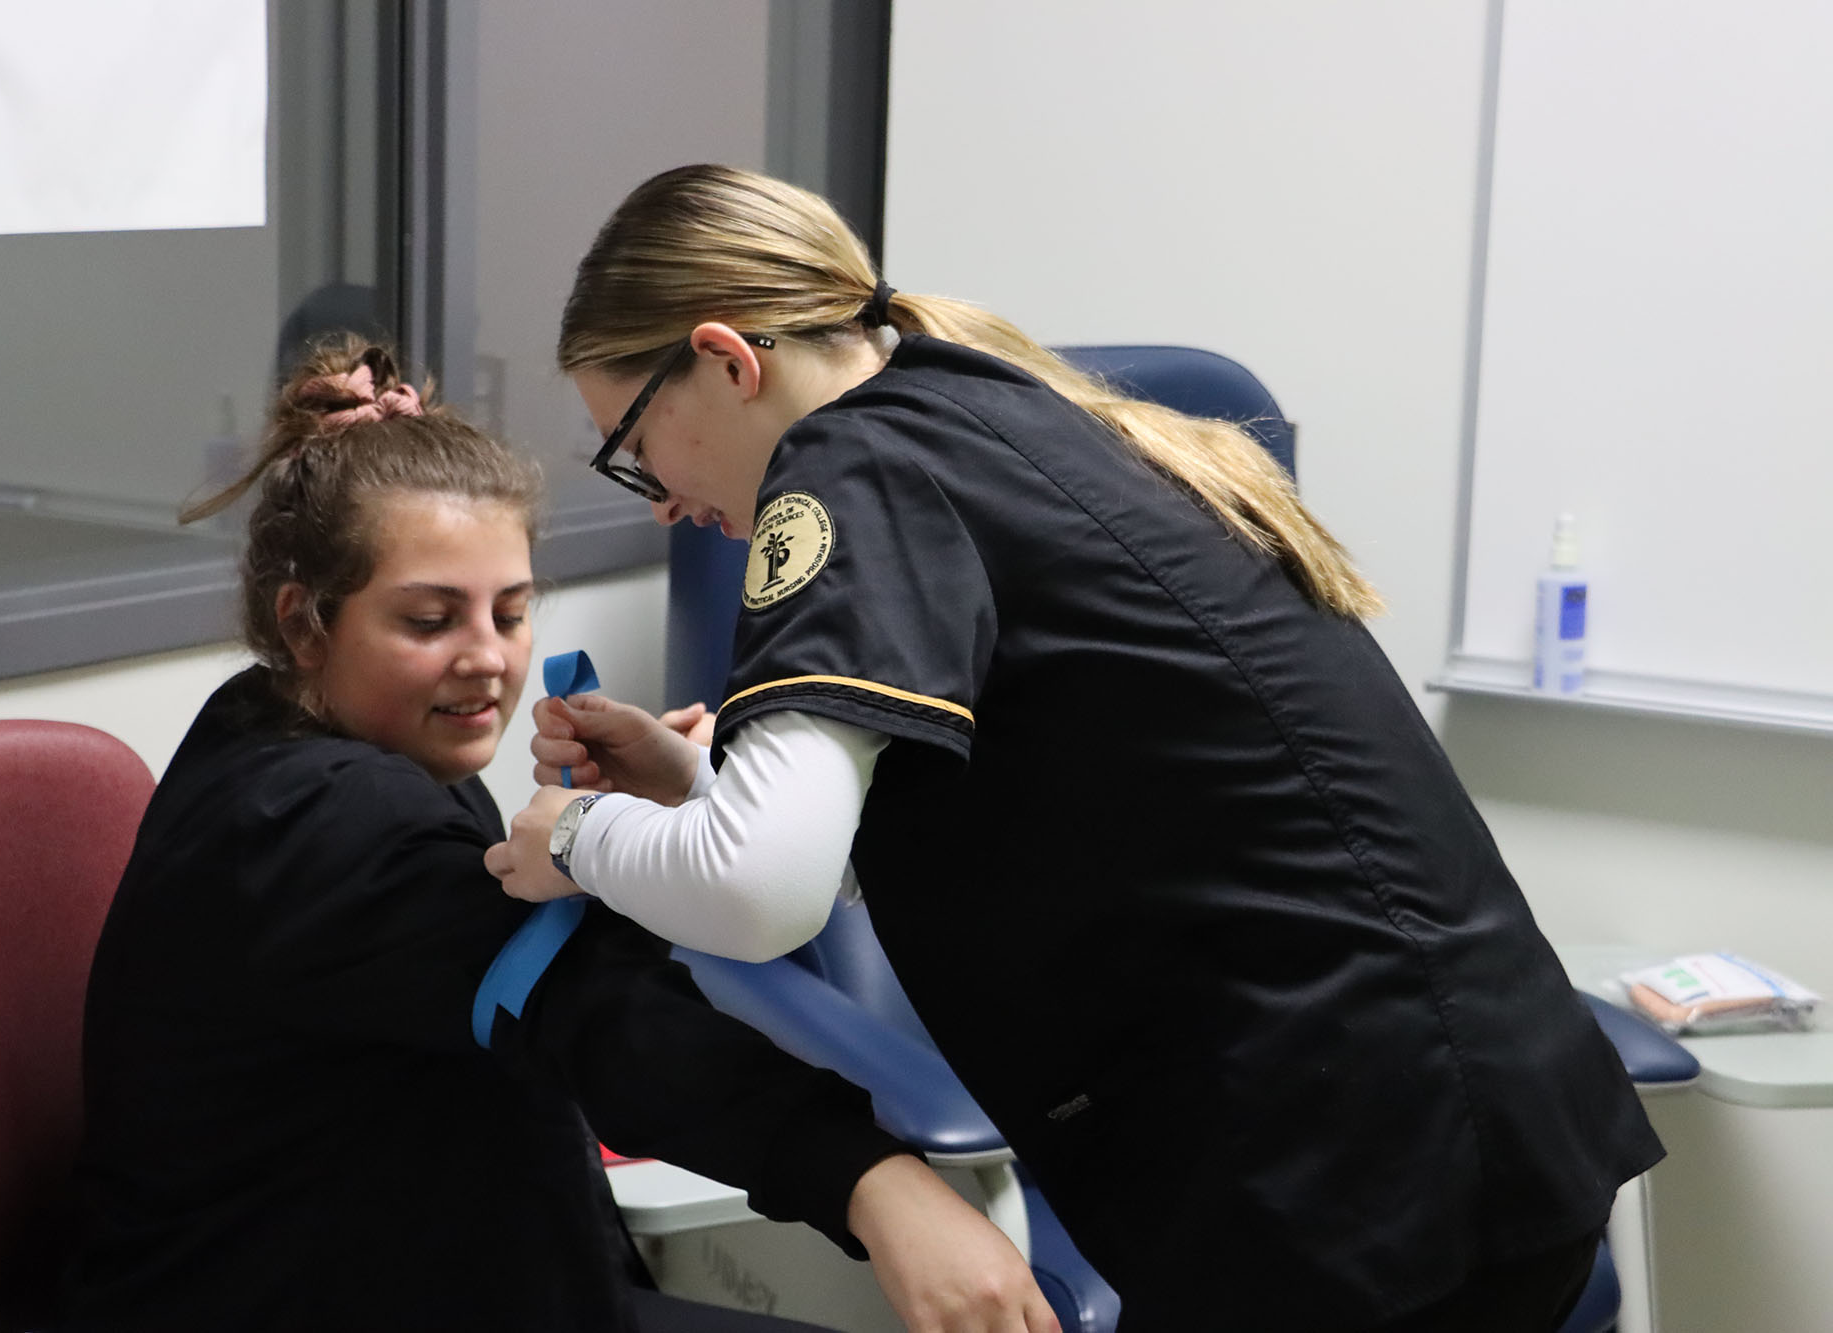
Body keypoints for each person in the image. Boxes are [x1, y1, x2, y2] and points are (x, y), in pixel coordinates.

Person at [483, 165, 1667, 1332]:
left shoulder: (852, 470)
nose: (654, 503)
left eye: (633, 447)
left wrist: (573, 836)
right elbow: (1024, 812)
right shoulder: (991, 411)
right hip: (1461, 1128)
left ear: (727, 361)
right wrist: (696, 784)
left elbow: (757, 893)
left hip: (1341, 1184)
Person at [56, 336, 1058, 1333]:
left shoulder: (288, 729)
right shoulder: (316, 827)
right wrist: (869, 1179)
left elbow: (506, 972)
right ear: (307, 622)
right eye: (428, 620)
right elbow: (586, 1006)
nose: (487, 660)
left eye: (511, 610)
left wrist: (644, 842)